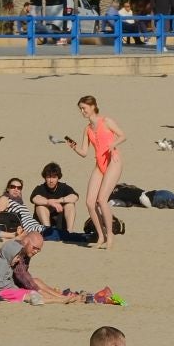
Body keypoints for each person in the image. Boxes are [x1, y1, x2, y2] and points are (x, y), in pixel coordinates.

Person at [67, 96, 124, 249]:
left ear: (93, 107)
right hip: (99, 164)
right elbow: (84, 152)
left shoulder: (106, 121)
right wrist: (73, 146)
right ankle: (101, 236)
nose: (82, 111)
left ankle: (110, 235)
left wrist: (113, 144)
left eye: (84, 108)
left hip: (113, 162)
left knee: (102, 200)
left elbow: (123, 135)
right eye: (80, 109)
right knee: (90, 202)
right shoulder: (87, 129)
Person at [0, 230, 82, 302]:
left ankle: (60, 296)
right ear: (26, 241)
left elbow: (24, 276)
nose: (36, 251)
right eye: (35, 248)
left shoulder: (25, 251)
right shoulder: (16, 251)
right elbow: (22, 276)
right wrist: (40, 291)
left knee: (35, 281)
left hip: (6, 283)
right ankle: (60, 298)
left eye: (38, 250)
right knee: (33, 286)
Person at [31, 163, 82, 237]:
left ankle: (69, 232)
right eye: (48, 177)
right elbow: (35, 198)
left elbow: (75, 196)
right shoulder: (40, 188)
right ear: (45, 178)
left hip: (60, 223)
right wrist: (49, 202)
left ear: (58, 178)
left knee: (70, 204)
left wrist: (58, 201)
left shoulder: (63, 187)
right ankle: (47, 231)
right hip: (43, 225)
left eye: (54, 177)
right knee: (40, 206)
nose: (51, 180)